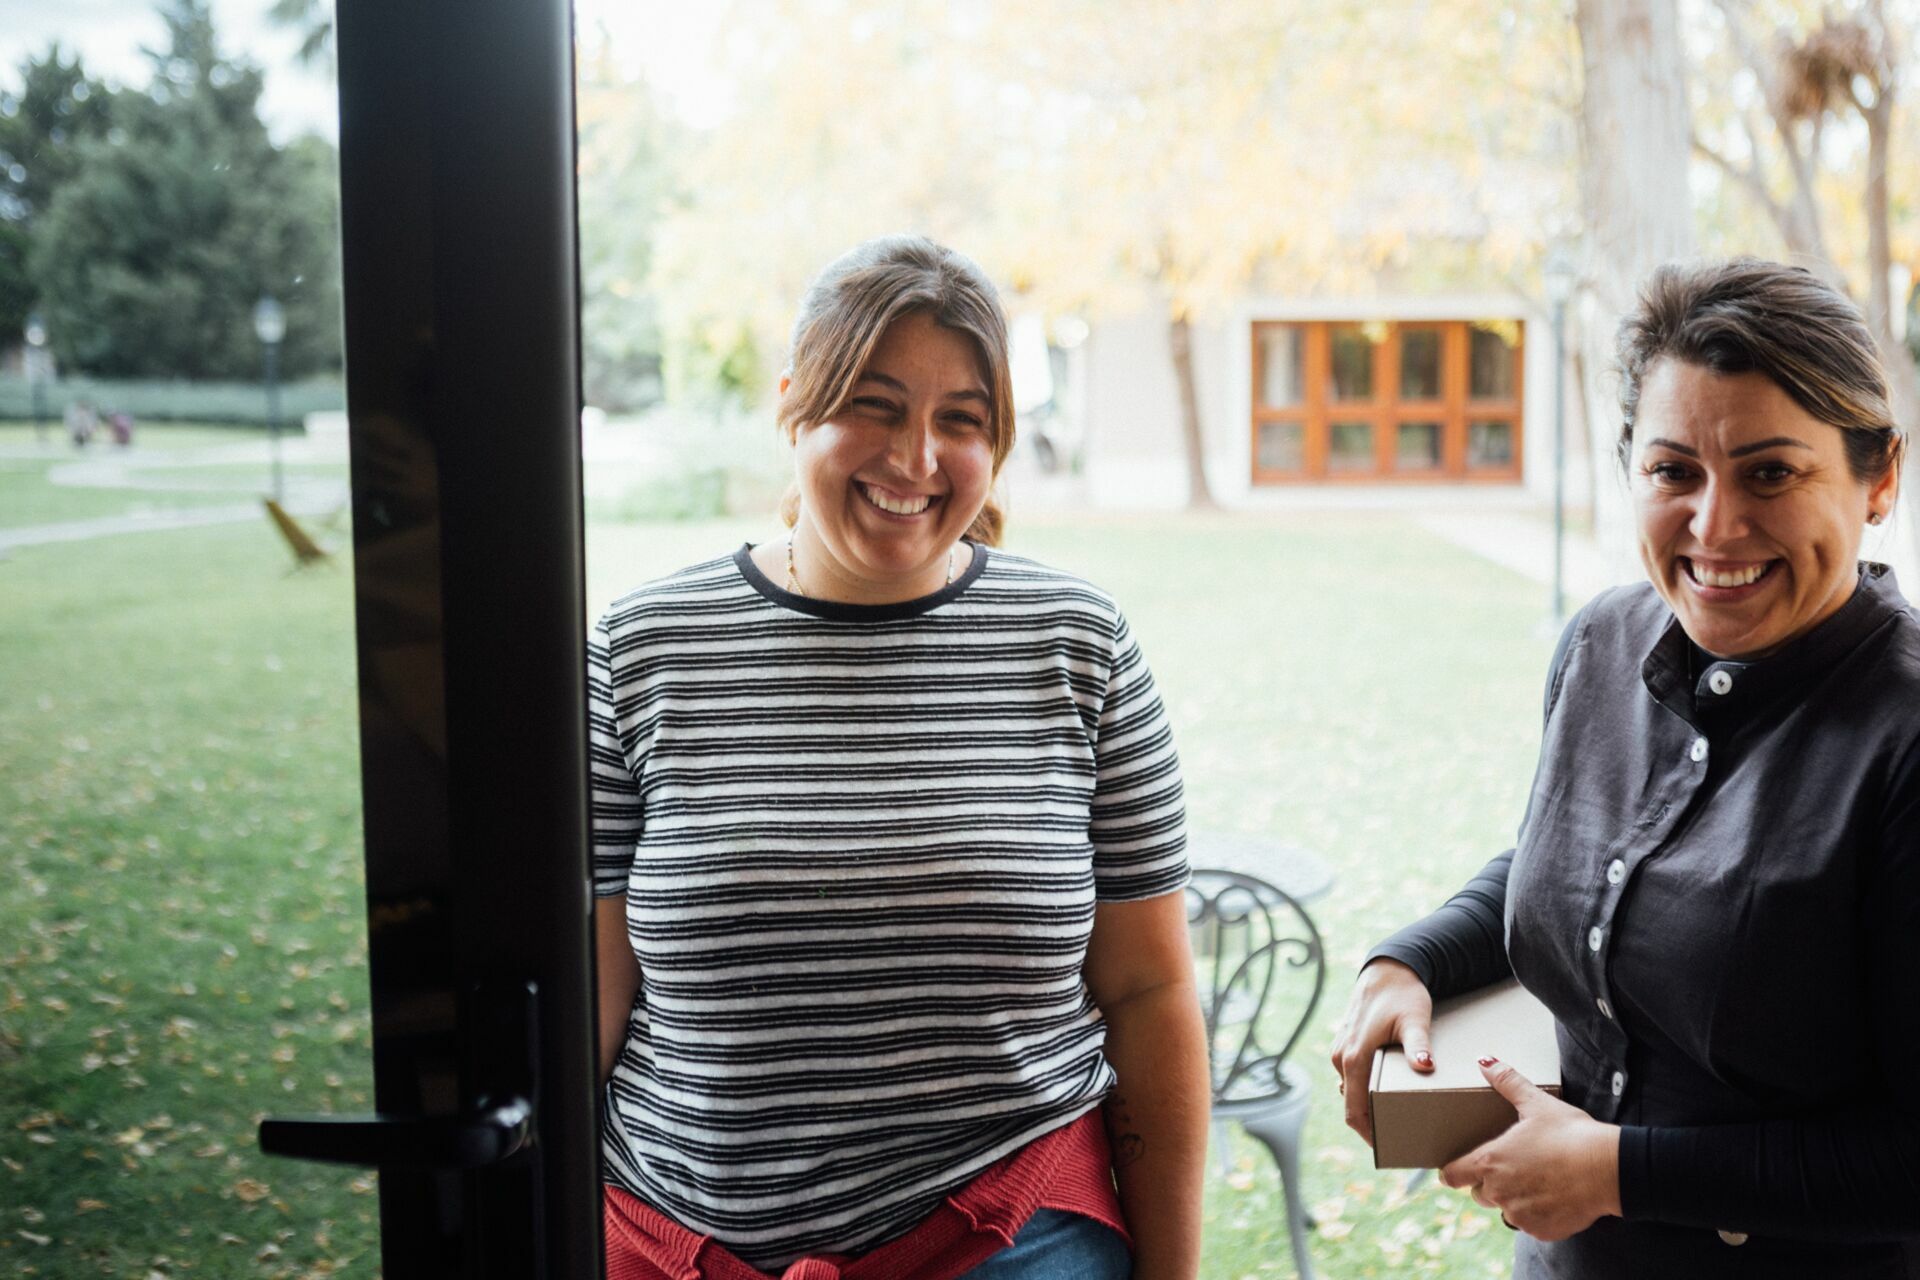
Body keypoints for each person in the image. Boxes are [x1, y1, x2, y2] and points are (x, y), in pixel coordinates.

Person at [589, 235, 1208, 1280]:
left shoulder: (1079, 643)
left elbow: (1149, 992)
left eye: (960, 419)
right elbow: (592, 992)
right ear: (793, 402)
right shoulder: (642, 648)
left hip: (1005, 1232)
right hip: (673, 1241)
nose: (915, 458)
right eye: (872, 405)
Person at [1331, 258, 1920, 1279]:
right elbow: (1576, 859)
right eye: (1674, 470)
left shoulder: (1905, 740)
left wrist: (1618, 1172)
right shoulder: (1603, 642)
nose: (1714, 524)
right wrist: (1412, 957)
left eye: (1771, 472)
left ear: (1878, 478)